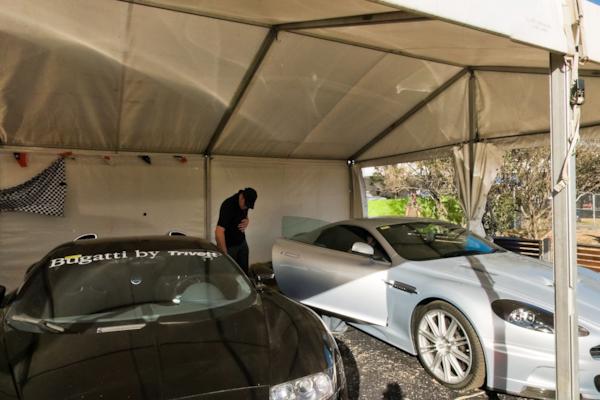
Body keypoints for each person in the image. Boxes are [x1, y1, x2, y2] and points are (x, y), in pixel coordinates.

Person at [215, 188, 257, 275]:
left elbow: (245, 216)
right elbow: (218, 232)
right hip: (229, 247)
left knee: (243, 274)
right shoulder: (228, 205)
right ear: (242, 197)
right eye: (246, 205)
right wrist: (225, 254)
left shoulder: (245, 204)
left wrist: (247, 220)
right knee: (230, 275)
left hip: (242, 243)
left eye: (248, 206)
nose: (246, 207)